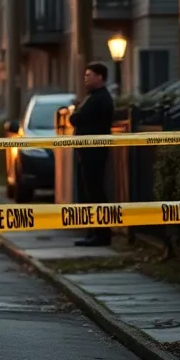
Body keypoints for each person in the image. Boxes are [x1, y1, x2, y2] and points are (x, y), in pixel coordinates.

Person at [68, 61, 115, 247]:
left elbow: (76, 119)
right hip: (87, 152)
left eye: (89, 75)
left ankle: (101, 234)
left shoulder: (99, 99)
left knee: (95, 192)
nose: (85, 78)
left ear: (100, 77)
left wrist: (75, 111)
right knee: (90, 192)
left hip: (94, 152)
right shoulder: (93, 97)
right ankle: (93, 232)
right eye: (85, 75)